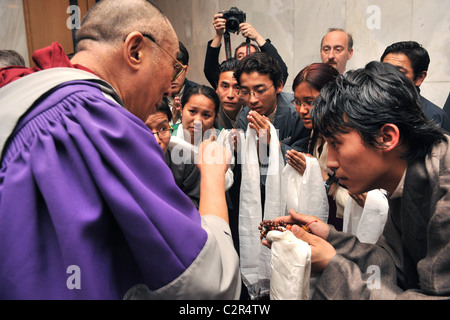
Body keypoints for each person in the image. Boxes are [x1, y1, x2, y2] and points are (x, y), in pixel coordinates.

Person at [0, 0, 240, 300]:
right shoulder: (96, 118)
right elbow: (206, 283)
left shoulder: (24, 95)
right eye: (172, 67)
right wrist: (213, 176)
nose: (166, 93)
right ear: (136, 51)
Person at [270, 61, 450, 299]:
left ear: (386, 137)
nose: (330, 163)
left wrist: (333, 265)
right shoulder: (405, 176)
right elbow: (390, 263)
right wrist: (330, 238)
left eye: (336, 144)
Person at [287, 63, 346, 230]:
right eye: (297, 102)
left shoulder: (345, 138)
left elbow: (361, 205)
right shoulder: (315, 132)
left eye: (310, 102)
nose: (302, 110)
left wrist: (324, 179)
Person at [204, 12, 288, 89]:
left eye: (250, 55)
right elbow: (210, 69)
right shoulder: (229, 83)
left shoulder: (262, 84)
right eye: (240, 56)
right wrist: (218, 35)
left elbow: (281, 71)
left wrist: (258, 38)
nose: (245, 58)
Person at [381, 41, 450, 132]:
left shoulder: (433, 117)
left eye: (399, 72)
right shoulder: (364, 107)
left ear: (419, 78)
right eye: (384, 69)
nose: (388, 77)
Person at [163, 41, 199, 125]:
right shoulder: (153, 98)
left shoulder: (198, 94)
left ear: (186, 69)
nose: (172, 77)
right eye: (167, 69)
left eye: (177, 69)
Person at [215, 58, 245, 129]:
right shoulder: (210, 113)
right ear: (217, 88)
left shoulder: (254, 110)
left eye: (237, 88)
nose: (230, 95)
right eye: (225, 86)